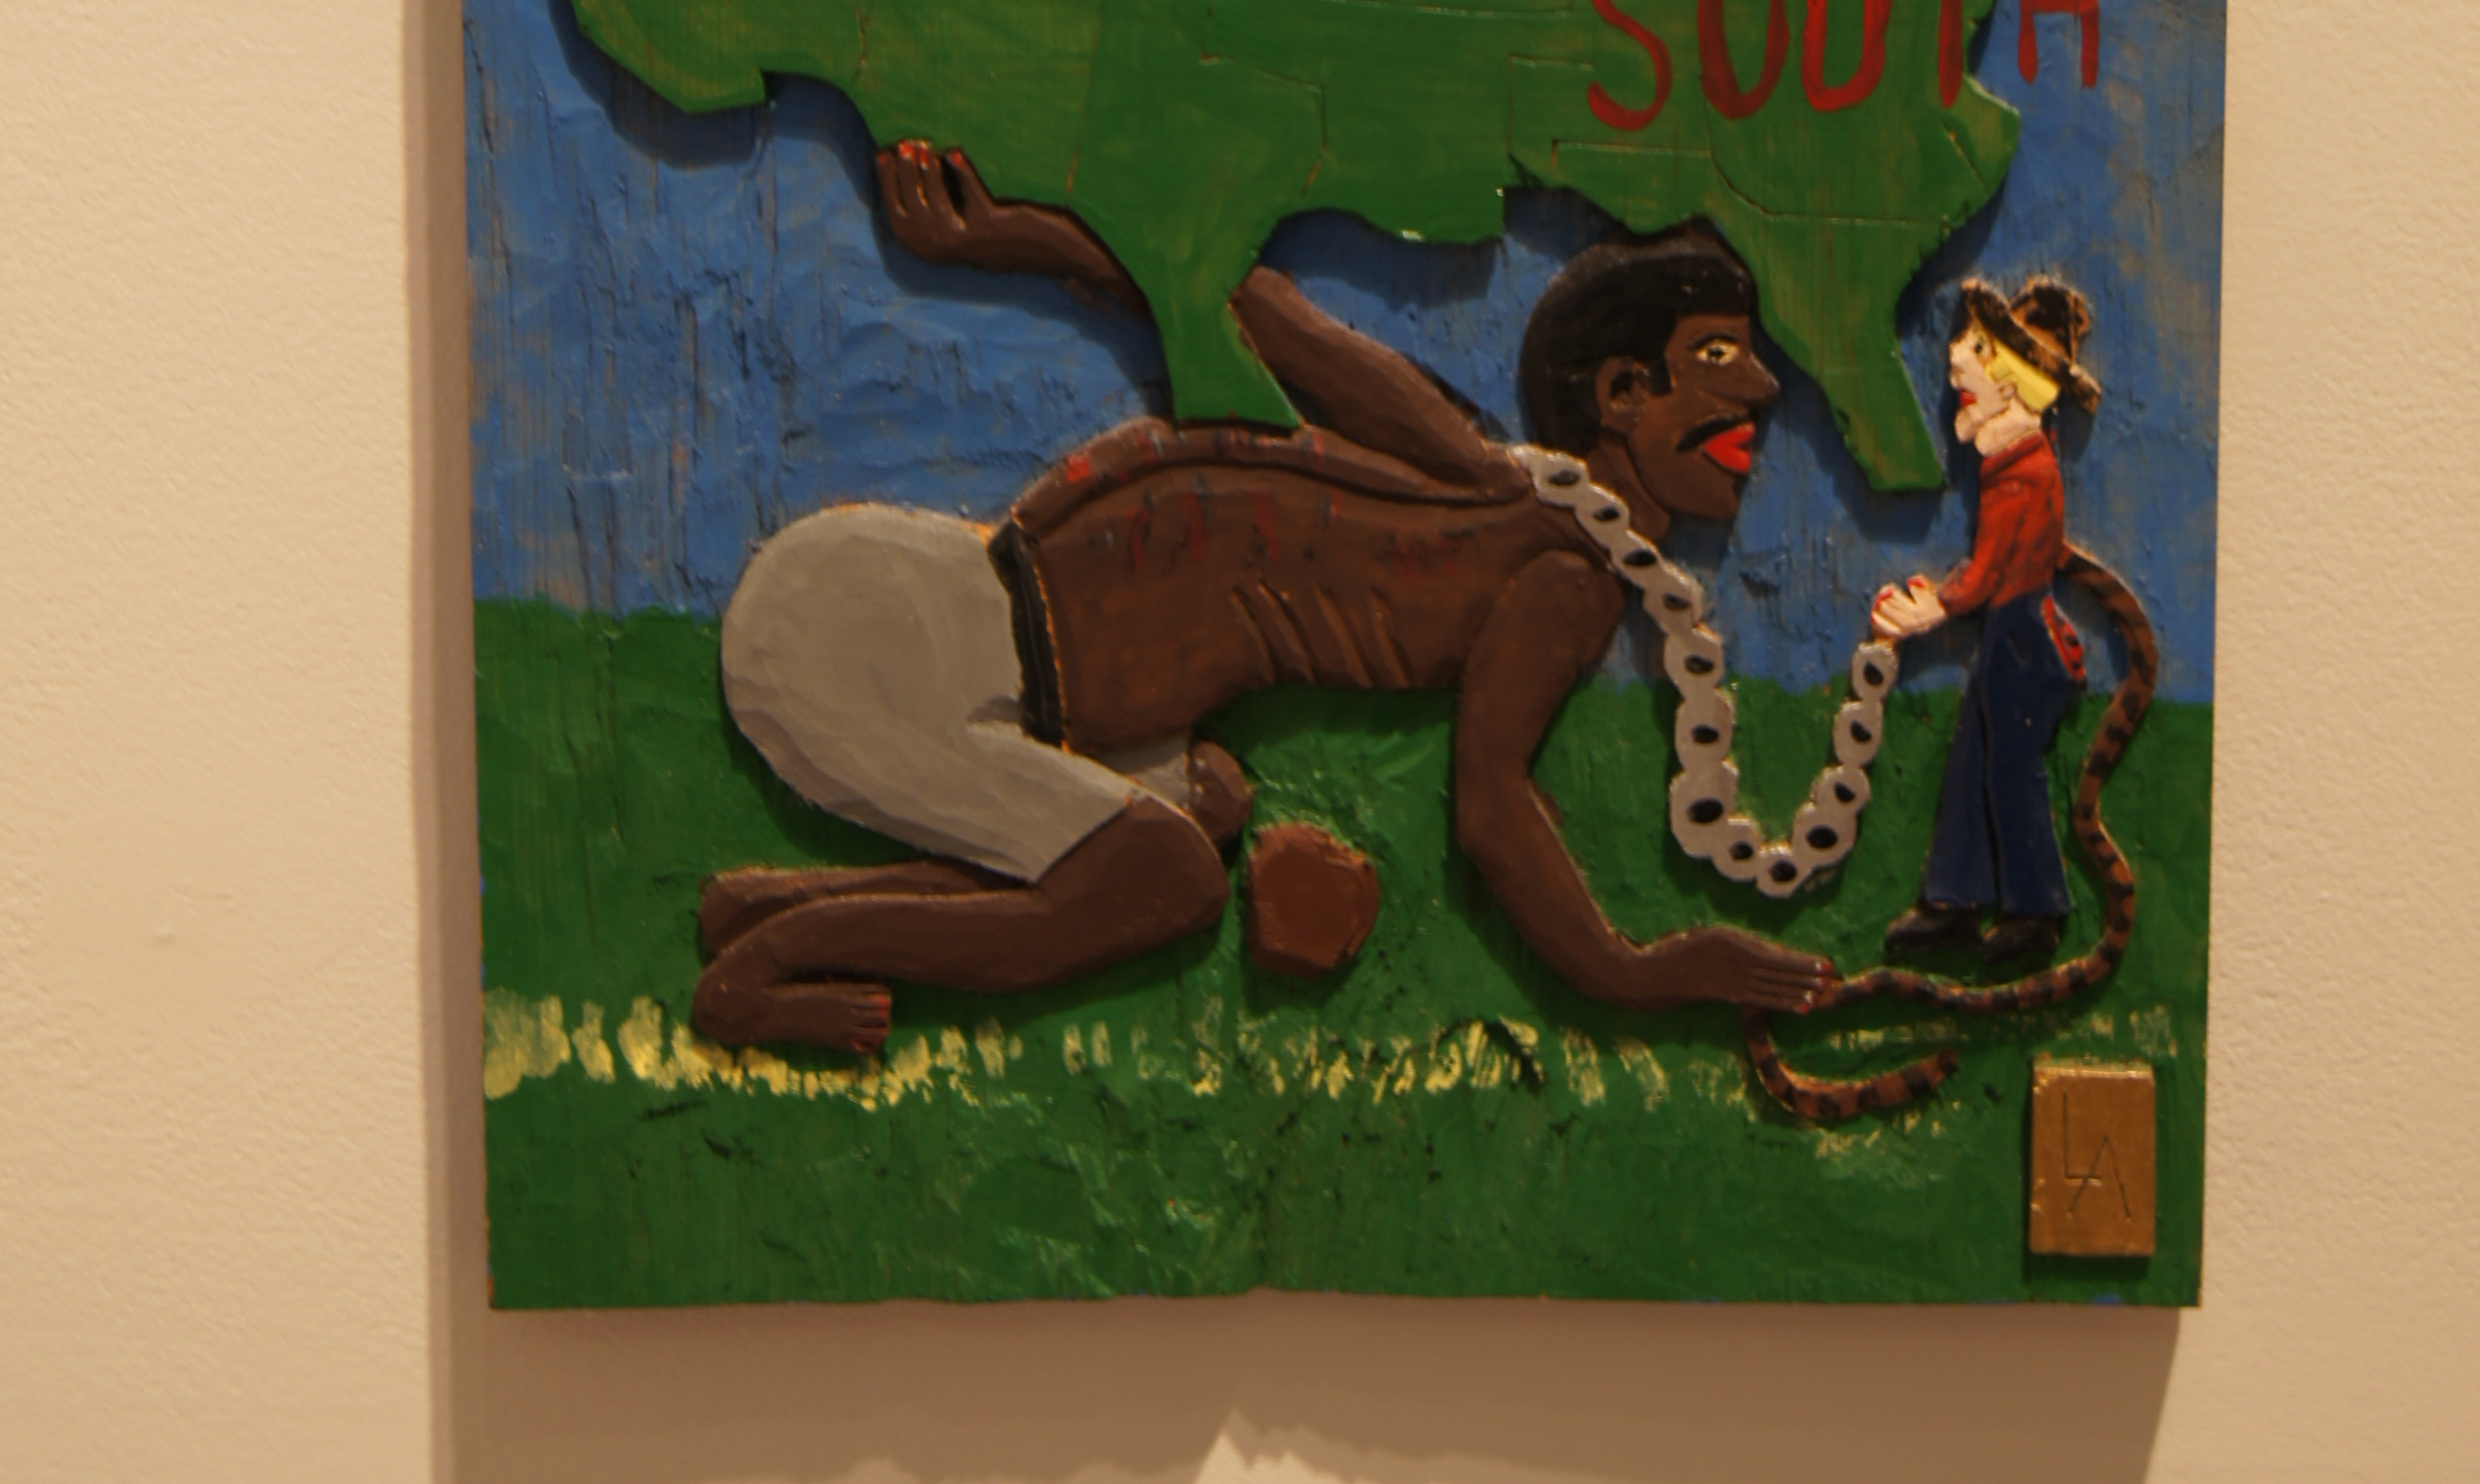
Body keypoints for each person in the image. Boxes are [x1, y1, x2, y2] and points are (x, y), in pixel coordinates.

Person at [690, 154, 1829, 1055]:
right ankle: (758, 971)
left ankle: (763, 910)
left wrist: (1019, 236)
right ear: (1623, 393)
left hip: (909, 608)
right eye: (1716, 357)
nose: (1761, 388)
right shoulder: (1552, 565)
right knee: (1168, 878)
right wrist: (1635, 971)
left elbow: (1232, 296)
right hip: (888, 653)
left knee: (1211, 801)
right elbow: (1491, 808)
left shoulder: (1483, 479)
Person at [1868, 275, 2098, 971]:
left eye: (1978, 347)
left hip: (2024, 644)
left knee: (2011, 774)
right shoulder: (2010, 460)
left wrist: (1933, 608)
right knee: (1974, 761)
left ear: (2017, 383)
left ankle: (2036, 911)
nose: (1956, 359)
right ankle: (1956, 899)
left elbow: (1989, 569)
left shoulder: (2023, 472)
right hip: (2008, 639)